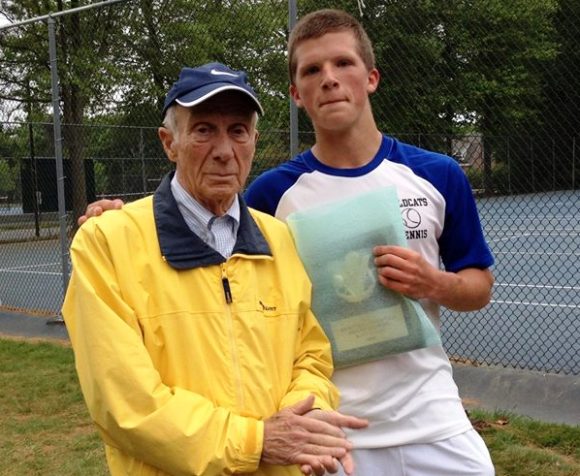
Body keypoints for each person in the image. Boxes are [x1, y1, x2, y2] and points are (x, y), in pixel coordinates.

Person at [80, 9, 496, 475]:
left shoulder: (436, 174)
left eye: (343, 64)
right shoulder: (272, 198)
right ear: (296, 93)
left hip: (418, 418)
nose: (330, 80)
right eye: (312, 70)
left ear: (372, 77)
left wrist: (434, 283)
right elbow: (197, 212)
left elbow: (477, 287)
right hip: (330, 437)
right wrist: (118, 223)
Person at [63, 62, 367, 476]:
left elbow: (311, 356)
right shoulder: (107, 243)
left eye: (238, 131)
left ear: (254, 142)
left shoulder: (279, 239)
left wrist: (306, 417)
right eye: (204, 129)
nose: (224, 150)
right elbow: (125, 404)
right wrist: (257, 442)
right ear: (169, 143)